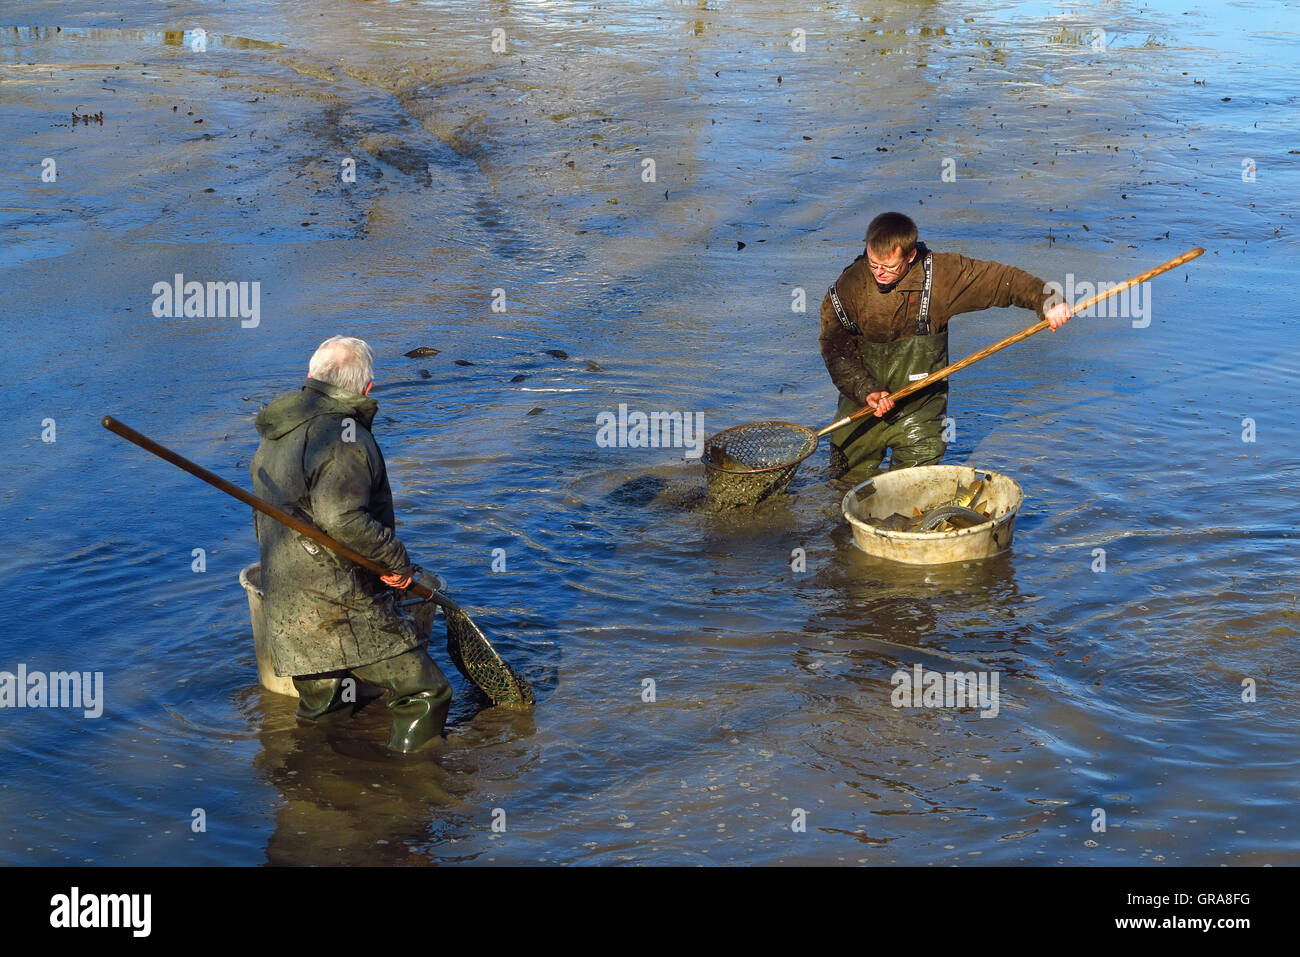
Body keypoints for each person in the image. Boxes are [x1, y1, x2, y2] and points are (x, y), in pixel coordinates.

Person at [250, 336, 452, 753]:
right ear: (366, 389)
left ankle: (317, 785)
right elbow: (342, 517)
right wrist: (397, 561)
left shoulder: (277, 429)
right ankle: (413, 786)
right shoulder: (343, 436)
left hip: (287, 597)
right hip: (339, 598)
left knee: (325, 704)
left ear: (310, 377)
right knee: (426, 692)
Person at [819, 212, 1072, 478]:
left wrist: (1048, 301)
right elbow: (834, 345)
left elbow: (1002, 281)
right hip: (862, 407)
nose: (879, 273)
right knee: (844, 487)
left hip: (920, 411)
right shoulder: (850, 285)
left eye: (889, 266)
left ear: (910, 256)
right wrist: (865, 389)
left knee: (914, 491)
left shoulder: (943, 276)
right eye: (873, 264)